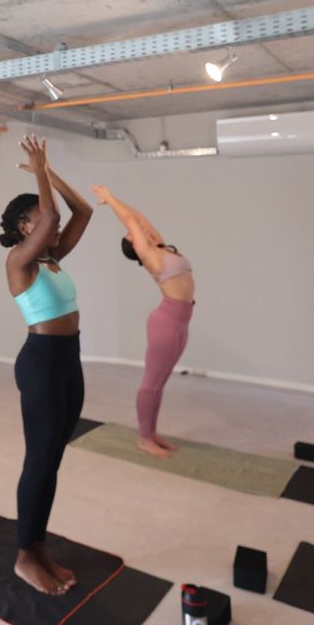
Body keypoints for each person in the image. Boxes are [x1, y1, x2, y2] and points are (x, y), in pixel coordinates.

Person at [0, 135, 93, 595]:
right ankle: (22, 558)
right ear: (22, 227)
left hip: (69, 361)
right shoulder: (20, 261)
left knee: (51, 461)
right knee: (38, 463)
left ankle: (38, 546)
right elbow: (54, 215)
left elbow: (83, 212)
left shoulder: (52, 259)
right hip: (40, 365)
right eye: (38, 221)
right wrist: (39, 168)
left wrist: (49, 174)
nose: (50, 228)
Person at [92, 185, 195, 459]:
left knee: (159, 382)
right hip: (167, 323)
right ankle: (143, 438)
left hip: (180, 322)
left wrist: (113, 199)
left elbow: (137, 218)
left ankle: (151, 432)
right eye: (135, 235)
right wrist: (109, 199)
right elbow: (130, 221)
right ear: (136, 248)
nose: (141, 229)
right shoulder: (151, 256)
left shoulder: (161, 247)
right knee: (151, 383)